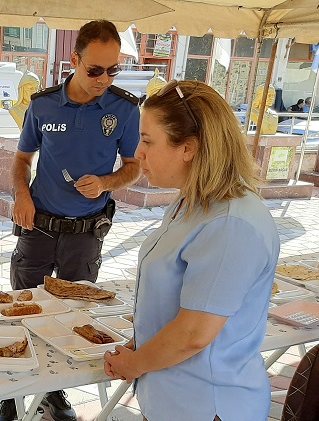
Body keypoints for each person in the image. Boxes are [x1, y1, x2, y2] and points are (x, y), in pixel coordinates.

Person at [103, 80, 280, 421]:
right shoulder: (191, 200)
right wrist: (143, 344)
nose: (138, 153)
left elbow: (194, 333)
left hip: (207, 405)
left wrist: (135, 363)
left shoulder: (231, 223)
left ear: (188, 147)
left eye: (148, 141)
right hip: (173, 399)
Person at [1, 20, 141, 421]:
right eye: (95, 69)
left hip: (86, 232)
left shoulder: (125, 109)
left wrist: (107, 182)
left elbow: (133, 167)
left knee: (73, 316)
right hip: (38, 228)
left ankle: (54, 394)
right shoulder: (43, 105)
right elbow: (22, 159)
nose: (103, 78)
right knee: (22, 309)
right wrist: (22, 194)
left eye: (113, 69)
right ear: (75, 60)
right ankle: (11, 398)